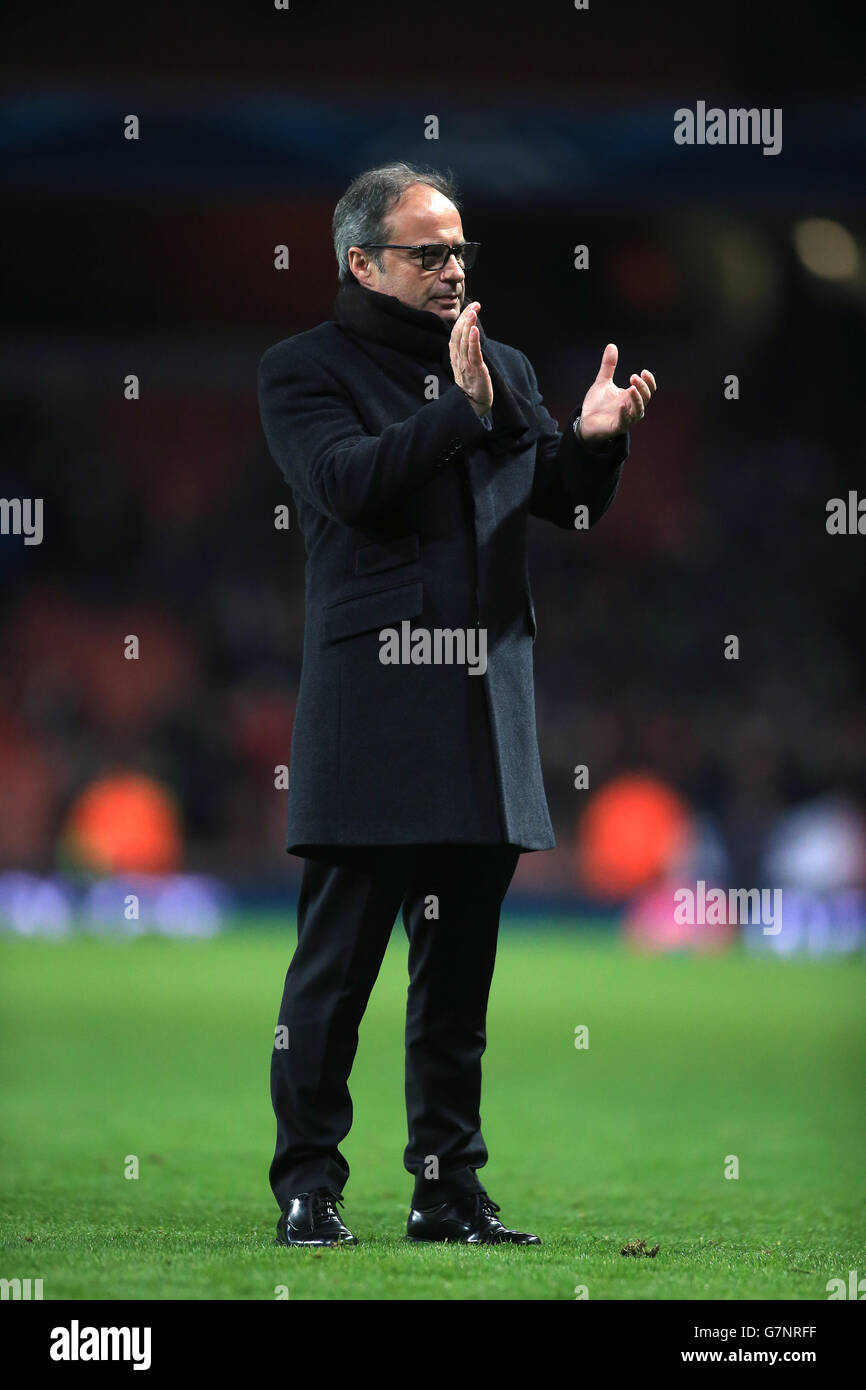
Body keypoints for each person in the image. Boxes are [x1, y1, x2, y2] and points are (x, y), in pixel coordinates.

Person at [257, 161, 656, 1247]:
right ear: (360, 261)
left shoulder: (506, 363)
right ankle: (308, 1185)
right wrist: (461, 410)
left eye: (459, 251)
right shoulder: (303, 371)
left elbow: (560, 508)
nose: (449, 268)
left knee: (455, 990)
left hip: (486, 710)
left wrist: (592, 442)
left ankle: (446, 1191)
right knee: (333, 977)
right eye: (426, 251)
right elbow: (345, 484)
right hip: (372, 705)